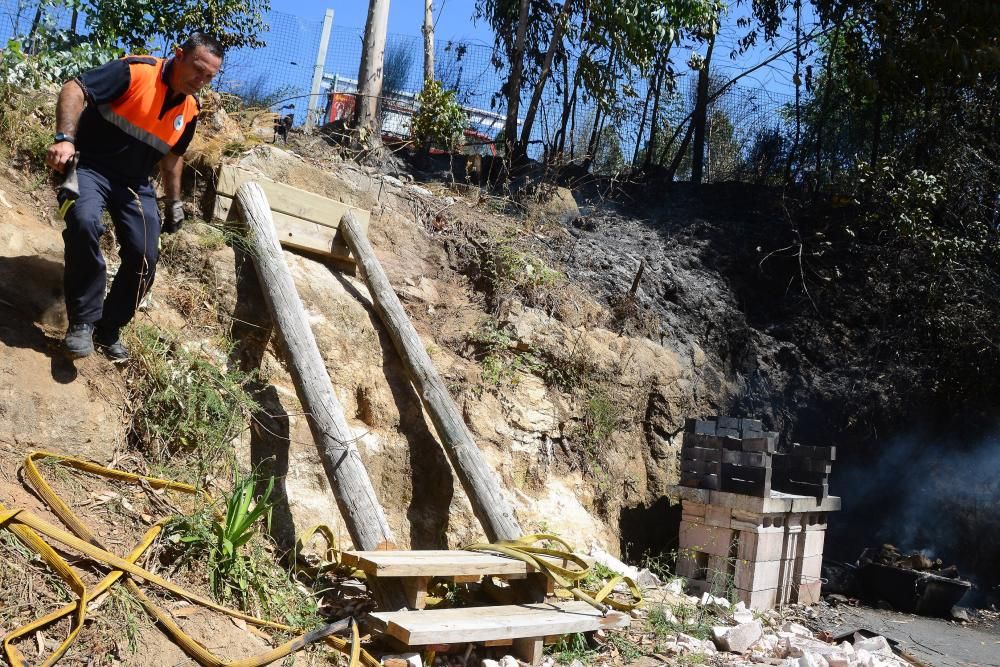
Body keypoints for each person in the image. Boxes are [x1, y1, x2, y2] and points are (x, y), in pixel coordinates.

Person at [45, 33, 224, 361]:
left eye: (209, 77)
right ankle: (83, 322)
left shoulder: (190, 109)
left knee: (145, 255)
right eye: (198, 70)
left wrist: (174, 202)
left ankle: (108, 328)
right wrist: (64, 139)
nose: (201, 81)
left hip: (133, 183)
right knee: (83, 222)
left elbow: (172, 158)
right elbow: (75, 87)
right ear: (179, 54)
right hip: (83, 166)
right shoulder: (135, 71)